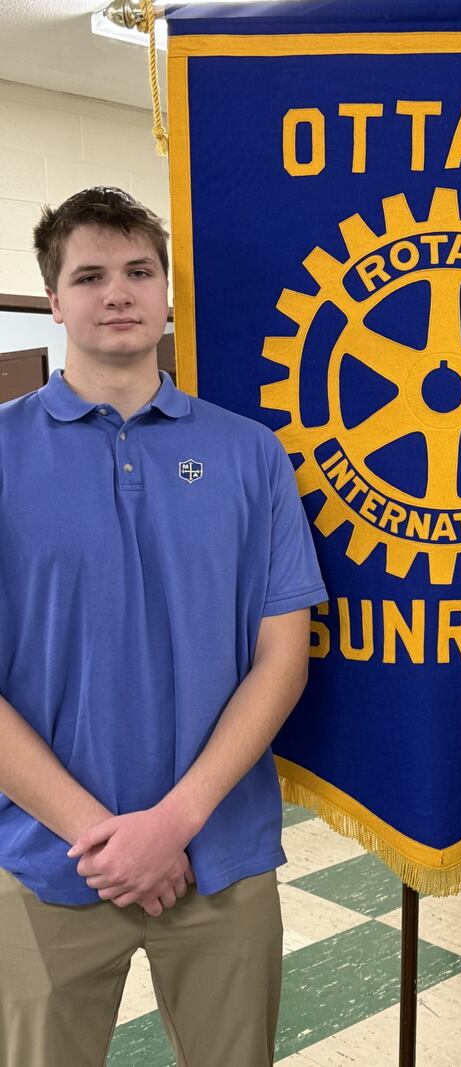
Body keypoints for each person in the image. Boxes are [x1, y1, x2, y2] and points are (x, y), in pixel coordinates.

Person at [0, 187, 327, 1067]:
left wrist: (170, 824)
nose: (118, 292)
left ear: (169, 293)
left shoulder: (251, 453)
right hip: (44, 858)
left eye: (140, 270)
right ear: (55, 300)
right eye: (91, 275)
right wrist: (103, 839)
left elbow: (282, 661)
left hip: (219, 851)